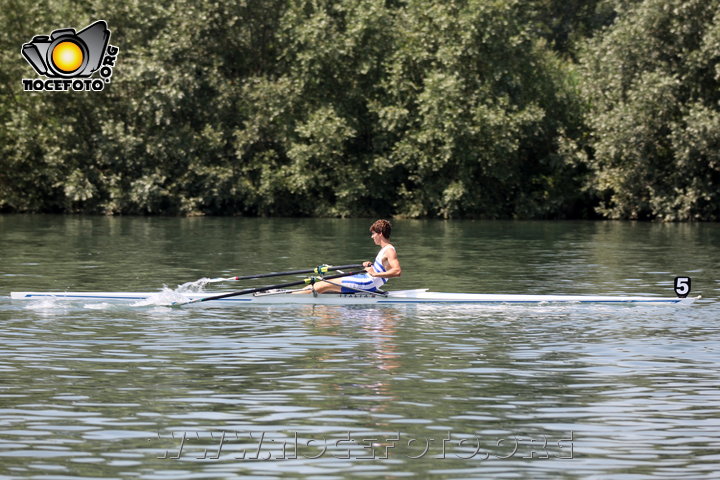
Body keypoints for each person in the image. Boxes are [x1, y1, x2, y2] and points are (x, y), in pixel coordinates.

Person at [298, 219, 401, 294]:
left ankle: (291, 297)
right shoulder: (385, 250)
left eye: (373, 233)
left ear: (380, 234)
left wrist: (374, 274)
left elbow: (397, 271)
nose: (372, 236)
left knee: (323, 283)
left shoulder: (389, 250)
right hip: (366, 280)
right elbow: (385, 267)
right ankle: (297, 294)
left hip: (368, 282)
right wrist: (372, 265)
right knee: (327, 284)